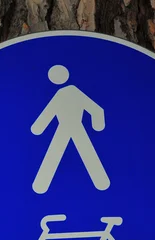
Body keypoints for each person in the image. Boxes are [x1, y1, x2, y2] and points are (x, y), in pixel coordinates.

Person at [31, 65, 110, 194]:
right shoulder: (68, 92)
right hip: (69, 128)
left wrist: (38, 128)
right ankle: (102, 183)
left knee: (55, 155)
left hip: (71, 127)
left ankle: (40, 187)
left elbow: (96, 109)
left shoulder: (67, 93)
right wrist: (97, 125)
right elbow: (96, 110)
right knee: (82, 153)